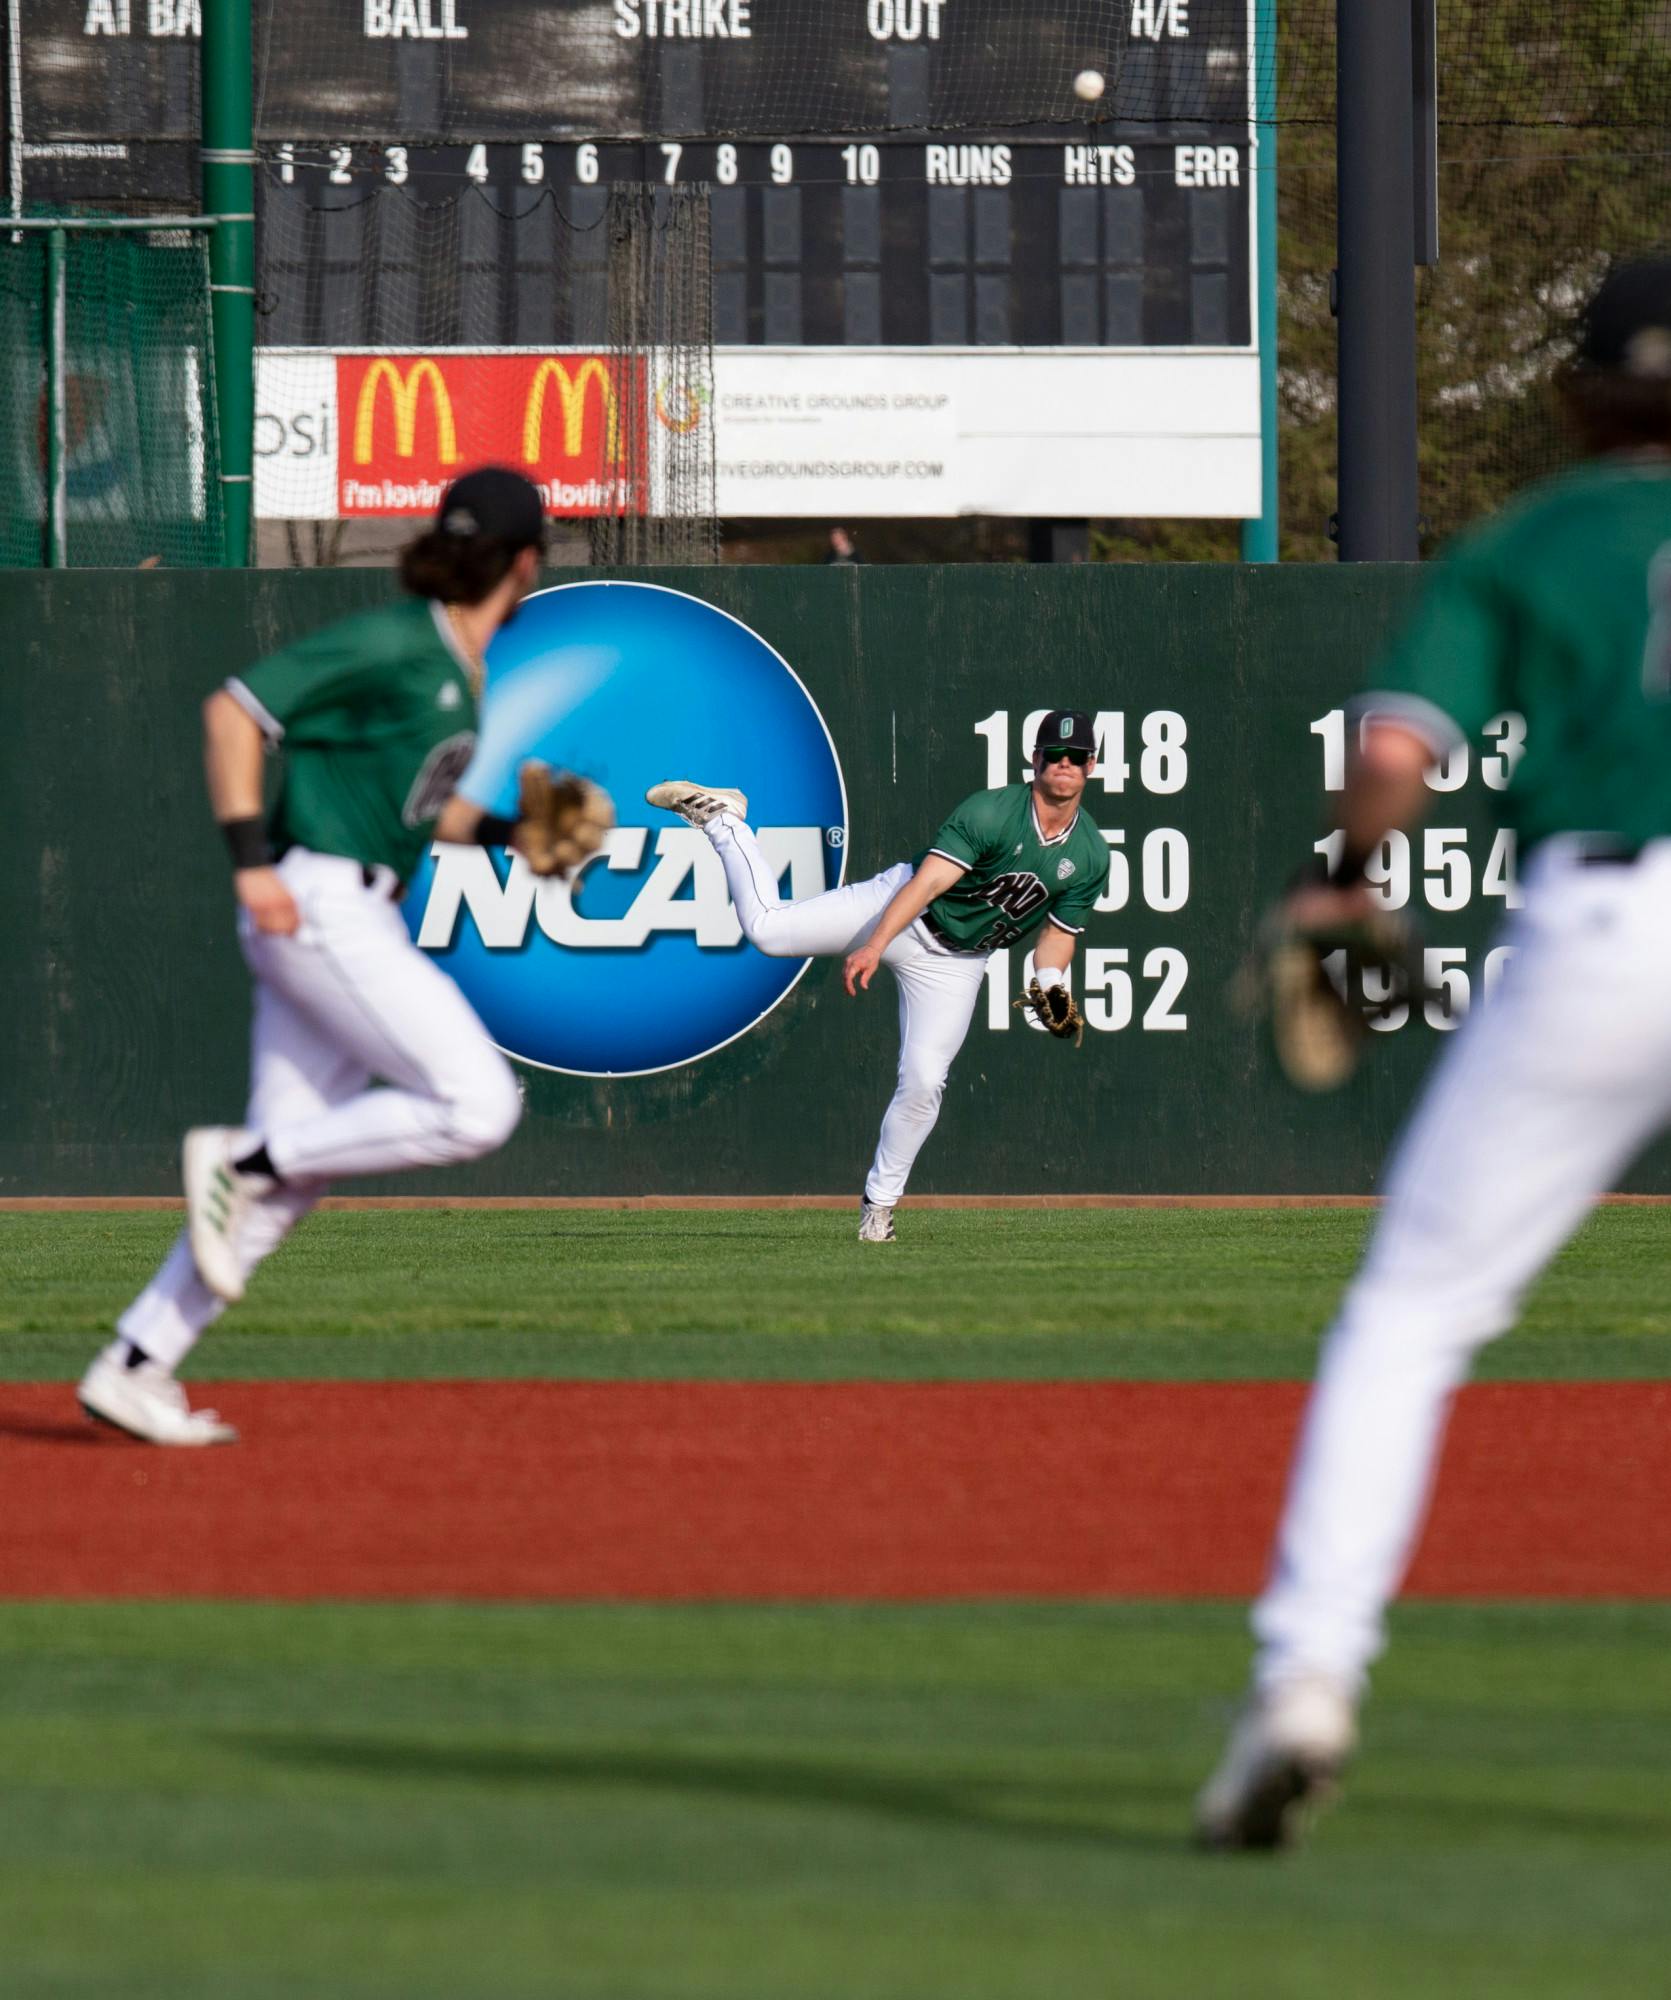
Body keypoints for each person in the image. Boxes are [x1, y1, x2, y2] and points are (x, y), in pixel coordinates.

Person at [1197, 257, 1671, 1848]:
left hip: (1601, 931)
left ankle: (1304, 1683)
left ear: (1579, 398)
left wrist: (1340, 874)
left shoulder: (1526, 540)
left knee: (1406, 1318)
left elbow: (1394, 752)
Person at [79, 467, 581, 1446]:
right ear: (527, 561)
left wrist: (512, 831)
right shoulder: (401, 640)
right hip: (320, 906)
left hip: (347, 908)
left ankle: (134, 1363)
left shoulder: (452, 660)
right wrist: (248, 864)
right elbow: (233, 711)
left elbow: (420, 807)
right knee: (478, 1104)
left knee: (288, 1180)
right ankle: (241, 1158)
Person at [647, 709, 1111, 1240]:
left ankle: (879, 1209)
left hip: (958, 962)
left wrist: (1051, 983)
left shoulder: (1091, 854)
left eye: (1076, 756)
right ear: (1035, 760)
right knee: (768, 931)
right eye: (1055, 754)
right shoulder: (991, 812)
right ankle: (725, 821)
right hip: (901, 910)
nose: (1064, 764)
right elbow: (927, 885)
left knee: (925, 1081)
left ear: (1091, 765)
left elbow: (1057, 936)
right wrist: (875, 942)